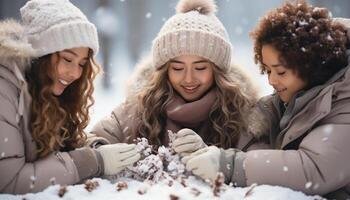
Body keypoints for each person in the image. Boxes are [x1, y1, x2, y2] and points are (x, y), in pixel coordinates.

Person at [181, 1, 350, 199]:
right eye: (268, 70)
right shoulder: (286, 104)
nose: (271, 80)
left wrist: (231, 165)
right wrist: (207, 153)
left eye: (280, 71)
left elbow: (314, 169)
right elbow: (260, 149)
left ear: (310, 65)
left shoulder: (344, 102)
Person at [0, 0, 140, 194]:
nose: (75, 73)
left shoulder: (49, 89)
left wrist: (94, 147)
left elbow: (65, 143)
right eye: (67, 59)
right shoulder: (4, 87)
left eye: (82, 64)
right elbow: (9, 181)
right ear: (41, 55)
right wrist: (94, 161)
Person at [90, 0, 261, 155]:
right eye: (178, 68)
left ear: (217, 70)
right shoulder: (140, 105)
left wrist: (222, 161)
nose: (188, 79)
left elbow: (259, 158)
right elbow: (91, 142)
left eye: (200, 68)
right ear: (165, 70)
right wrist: (102, 155)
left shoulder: (243, 113)